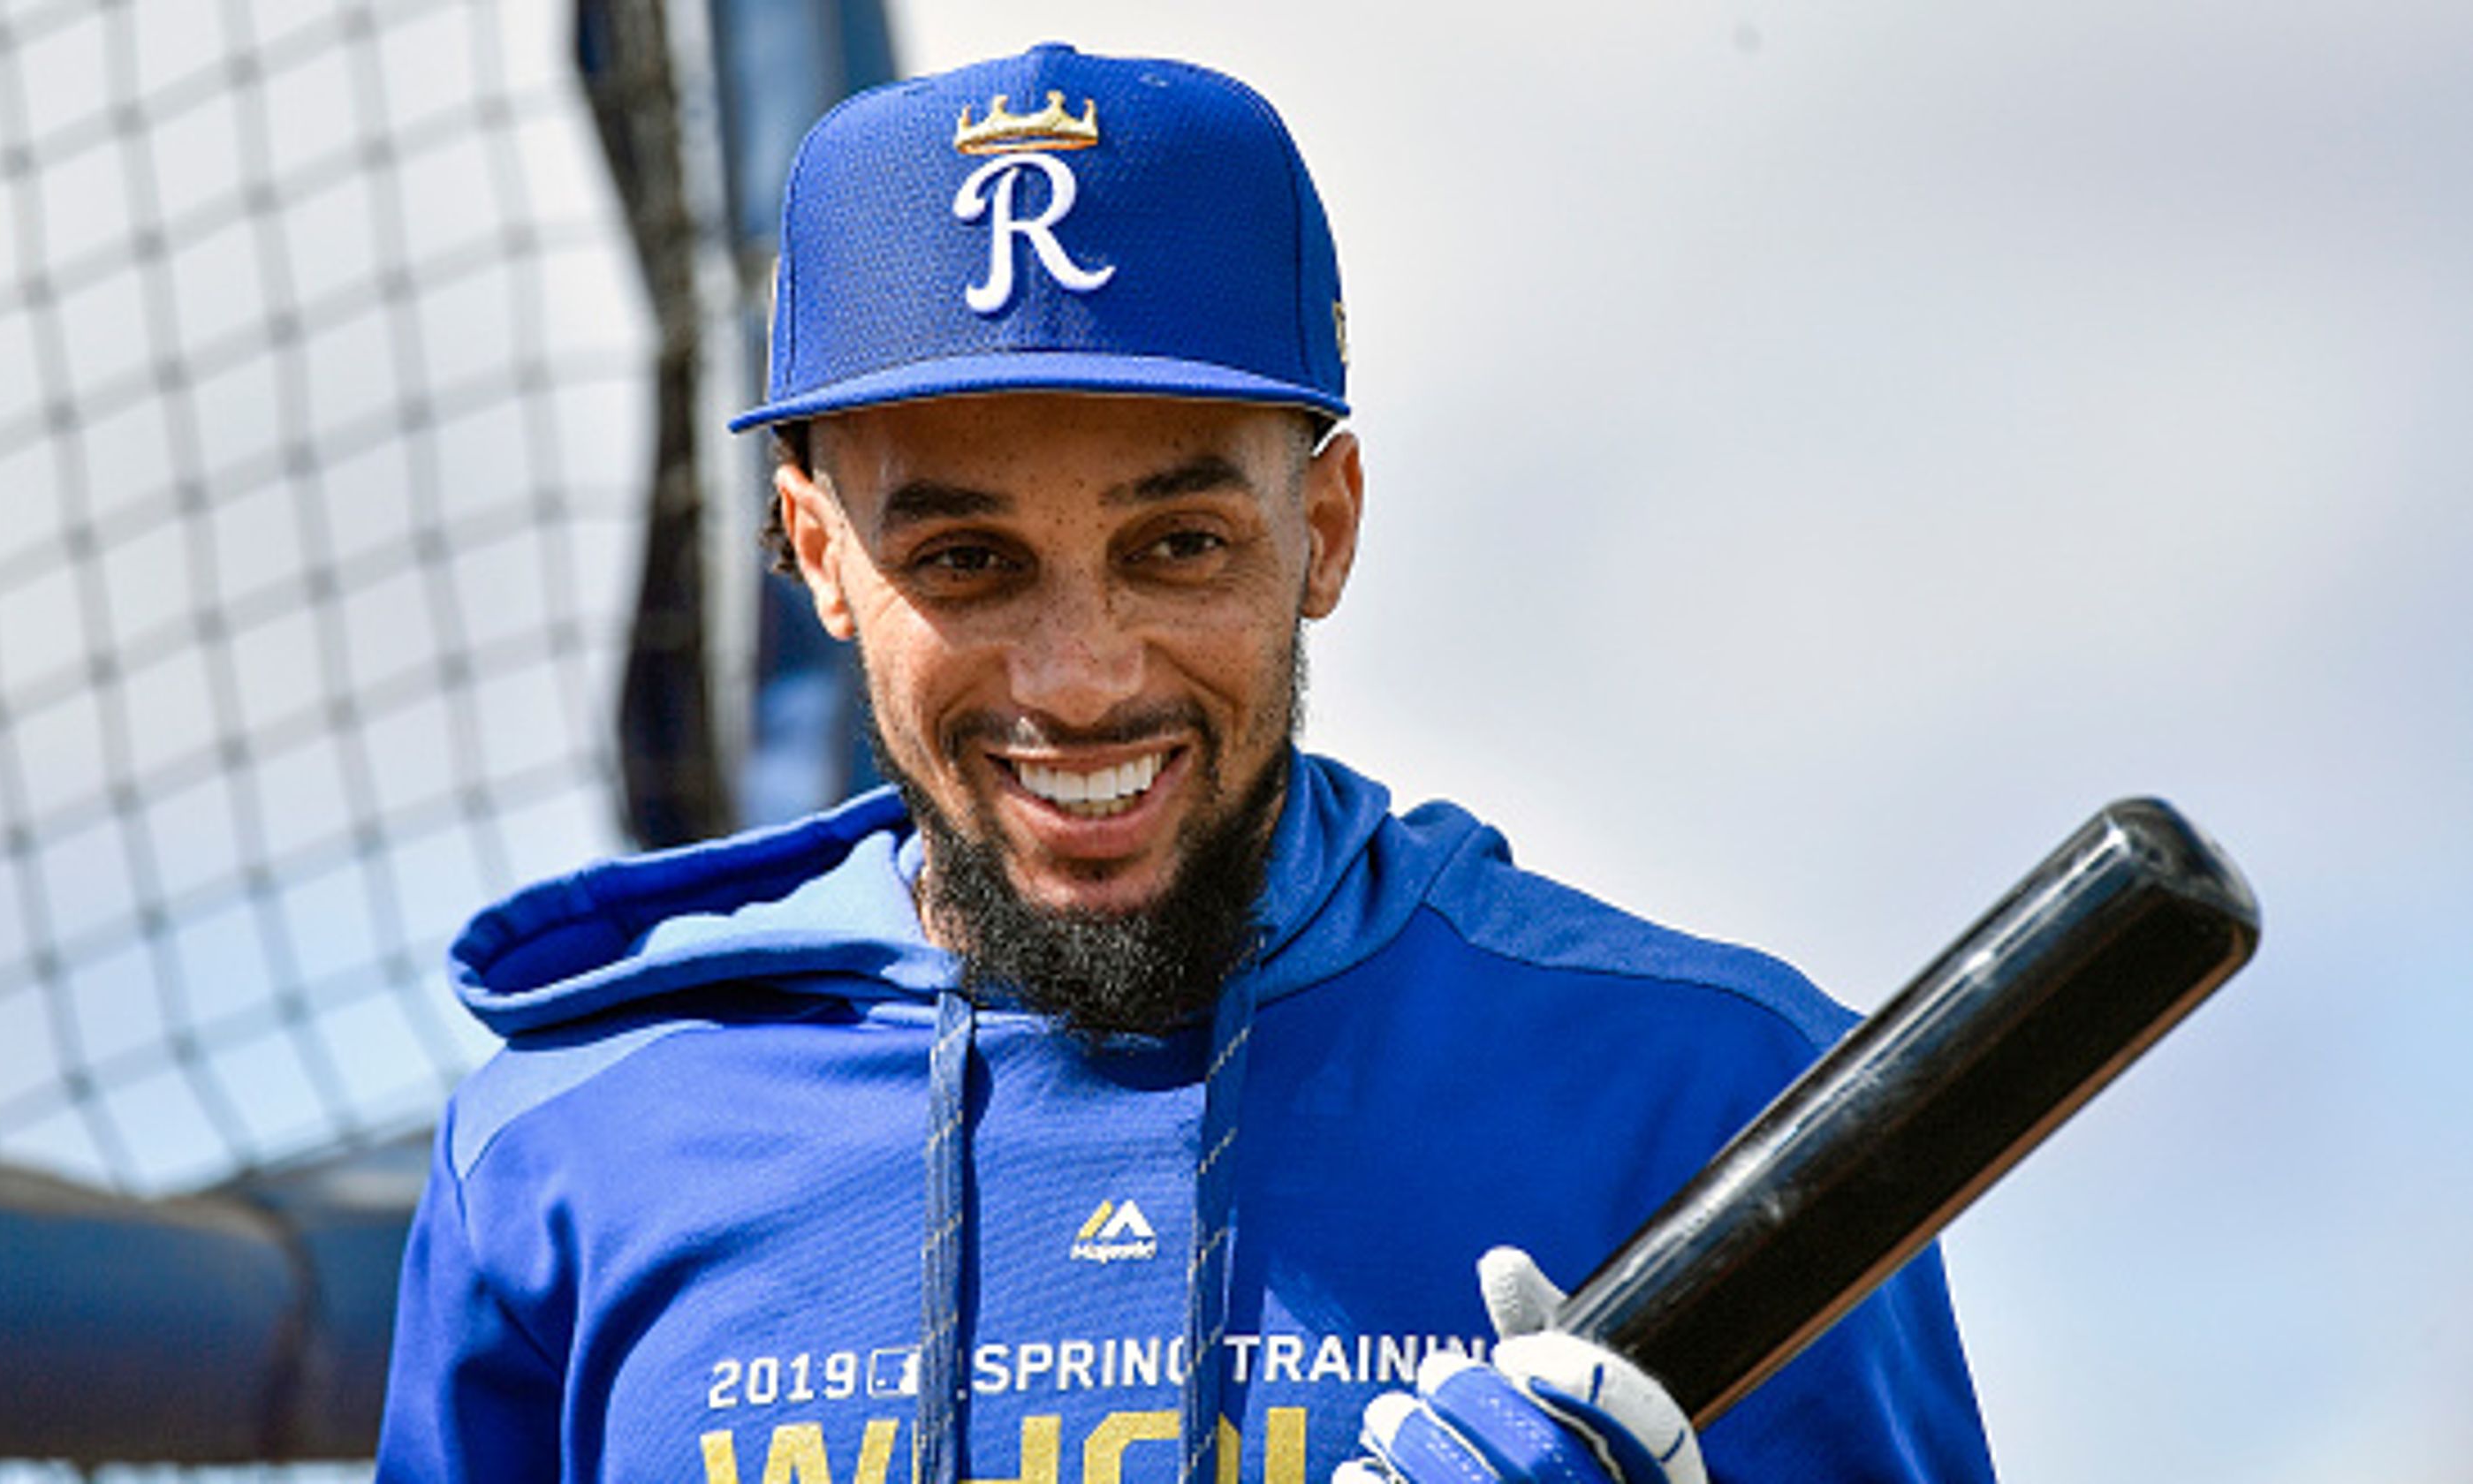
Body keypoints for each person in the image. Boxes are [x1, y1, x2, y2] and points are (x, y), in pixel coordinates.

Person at [376, 42, 1999, 1484]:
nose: (1081, 679)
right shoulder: (567, 1154)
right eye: (966, 564)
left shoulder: (1701, 1100)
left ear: (1326, 528)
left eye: (1179, 547)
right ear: (818, 555)